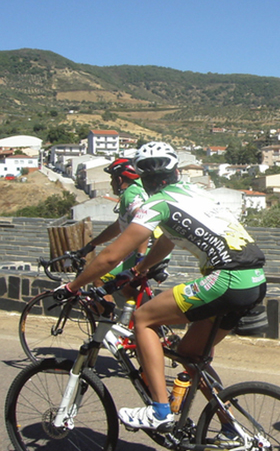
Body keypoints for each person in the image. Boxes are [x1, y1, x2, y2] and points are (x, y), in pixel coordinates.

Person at [55, 142, 267, 431]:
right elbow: (168, 238)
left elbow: (110, 256)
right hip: (254, 280)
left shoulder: (156, 204)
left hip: (225, 279)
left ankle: (159, 411)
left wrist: (72, 287)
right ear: (177, 171)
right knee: (192, 358)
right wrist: (140, 270)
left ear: (142, 178)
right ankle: (232, 428)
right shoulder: (195, 194)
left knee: (143, 319)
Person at [74, 158, 150, 301]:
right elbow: (117, 228)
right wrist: (91, 245)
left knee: (98, 278)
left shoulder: (131, 193)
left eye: (112, 179)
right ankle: (143, 320)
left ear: (119, 179)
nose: (110, 183)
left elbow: (144, 220)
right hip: (156, 252)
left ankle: (107, 323)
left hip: (146, 252)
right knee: (128, 289)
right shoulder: (140, 191)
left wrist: (141, 257)